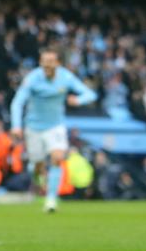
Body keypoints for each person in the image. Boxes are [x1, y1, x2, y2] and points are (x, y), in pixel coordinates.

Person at [10, 48, 97, 213]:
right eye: (44, 61)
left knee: (57, 158)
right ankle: (38, 178)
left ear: (57, 63)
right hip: (34, 127)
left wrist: (78, 100)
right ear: (41, 63)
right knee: (37, 166)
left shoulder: (66, 77)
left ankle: (51, 199)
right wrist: (16, 125)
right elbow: (17, 102)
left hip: (55, 126)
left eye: (51, 61)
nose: (47, 65)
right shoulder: (32, 79)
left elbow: (90, 94)